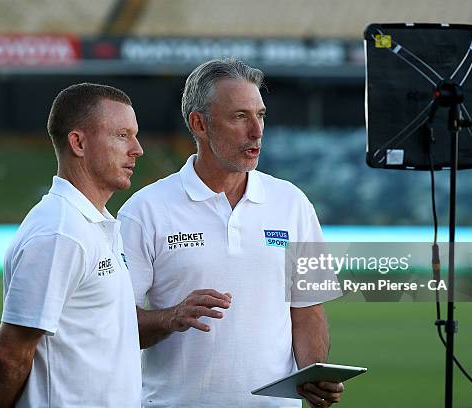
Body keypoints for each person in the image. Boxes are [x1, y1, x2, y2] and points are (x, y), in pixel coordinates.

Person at [118, 58, 344, 407]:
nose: (257, 130)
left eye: (261, 115)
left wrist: (315, 373)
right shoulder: (144, 210)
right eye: (240, 116)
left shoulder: (292, 203)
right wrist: (170, 317)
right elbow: (114, 325)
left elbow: (307, 313)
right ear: (200, 124)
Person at [0, 83, 144, 408]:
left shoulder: (94, 224)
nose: (138, 148)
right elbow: (8, 355)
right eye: (122, 135)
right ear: (79, 142)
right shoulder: (61, 232)